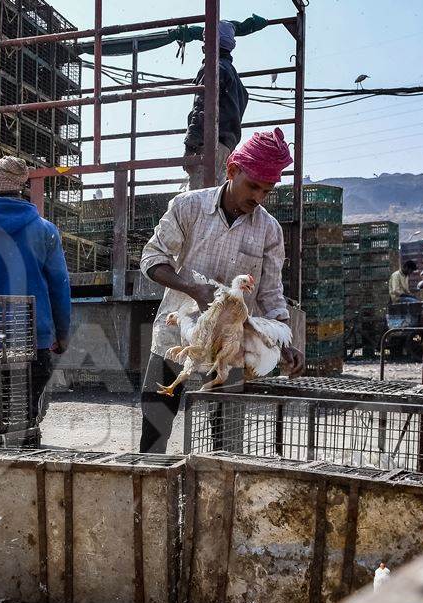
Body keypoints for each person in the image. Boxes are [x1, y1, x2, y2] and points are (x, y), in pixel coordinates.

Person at [139, 128, 304, 454]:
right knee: (153, 438)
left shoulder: (269, 230)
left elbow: (271, 293)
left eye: (266, 190)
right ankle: (147, 500)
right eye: (252, 186)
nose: (258, 197)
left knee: (225, 447)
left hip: (230, 349)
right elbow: (151, 259)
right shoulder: (189, 207)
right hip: (175, 341)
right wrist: (193, 289)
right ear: (232, 172)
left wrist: (284, 341)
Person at [0, 156, 71, 422]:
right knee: (26, 414)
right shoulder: (46, 231)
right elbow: (60, 288)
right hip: (36, 343)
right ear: (20, 190)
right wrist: (62, 334)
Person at [182, 21, 247, 190]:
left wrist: (190, 147)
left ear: (207, 45)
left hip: (209, 144)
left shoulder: (212, 68)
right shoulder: (234, 78)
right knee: (216, 199)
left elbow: (201, 108)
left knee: (199, 200)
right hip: (227, 147)